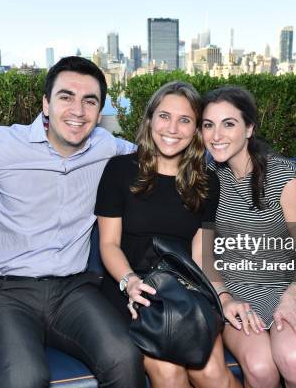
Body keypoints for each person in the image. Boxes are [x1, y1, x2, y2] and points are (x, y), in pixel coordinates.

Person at [0, 56, 145, 388]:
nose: (77, 111)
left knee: (125, 357)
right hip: (5, 291)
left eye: (90, 101)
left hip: (74, 289)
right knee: (23, 378)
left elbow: (154, 157)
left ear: (99, 113)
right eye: (66, 97)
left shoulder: (105, 146)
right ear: (46, 104)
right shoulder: (3, 147)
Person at [95, 81, 241, 388]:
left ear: (196, 131)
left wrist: (222, 297)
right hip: (133, 287)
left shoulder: (207, 182)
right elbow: (108, 244)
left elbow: (203, 255)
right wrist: (130, 282)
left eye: (185, 120)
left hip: (184, 287)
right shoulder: (119, 170)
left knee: (213, 374)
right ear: (149, 120)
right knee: (169, 375)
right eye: (164, 116)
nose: (172, 128)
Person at [201, 86, 296, 388]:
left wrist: (292, 298)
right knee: (260, 366)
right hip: (233, 290)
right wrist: (223, 298)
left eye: (229, 123)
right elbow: (204, 251)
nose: (216, 135)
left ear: (249, 128)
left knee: (294, 358)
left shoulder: (284, 178)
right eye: (208, 125)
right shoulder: (208, 176)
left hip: (285, 286)